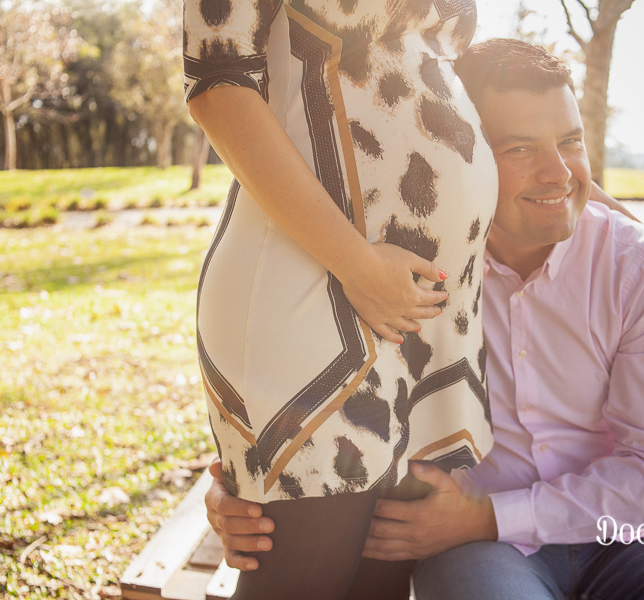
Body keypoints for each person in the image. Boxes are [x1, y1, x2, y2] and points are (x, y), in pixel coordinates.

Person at [204, 39, 644, 599]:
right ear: (465, 158)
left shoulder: (640, 268)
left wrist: (490, 514)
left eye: (570, 141)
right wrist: (238, 491)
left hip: (632, 537)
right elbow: (320, 395)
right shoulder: (405, 271)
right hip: (474, 551)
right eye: (520, 149)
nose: (559, 174)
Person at [184, 0, 502, 597]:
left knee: (378, 586)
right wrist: (357, 264)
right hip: (311, 290)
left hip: (429, 323)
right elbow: (218, 80)